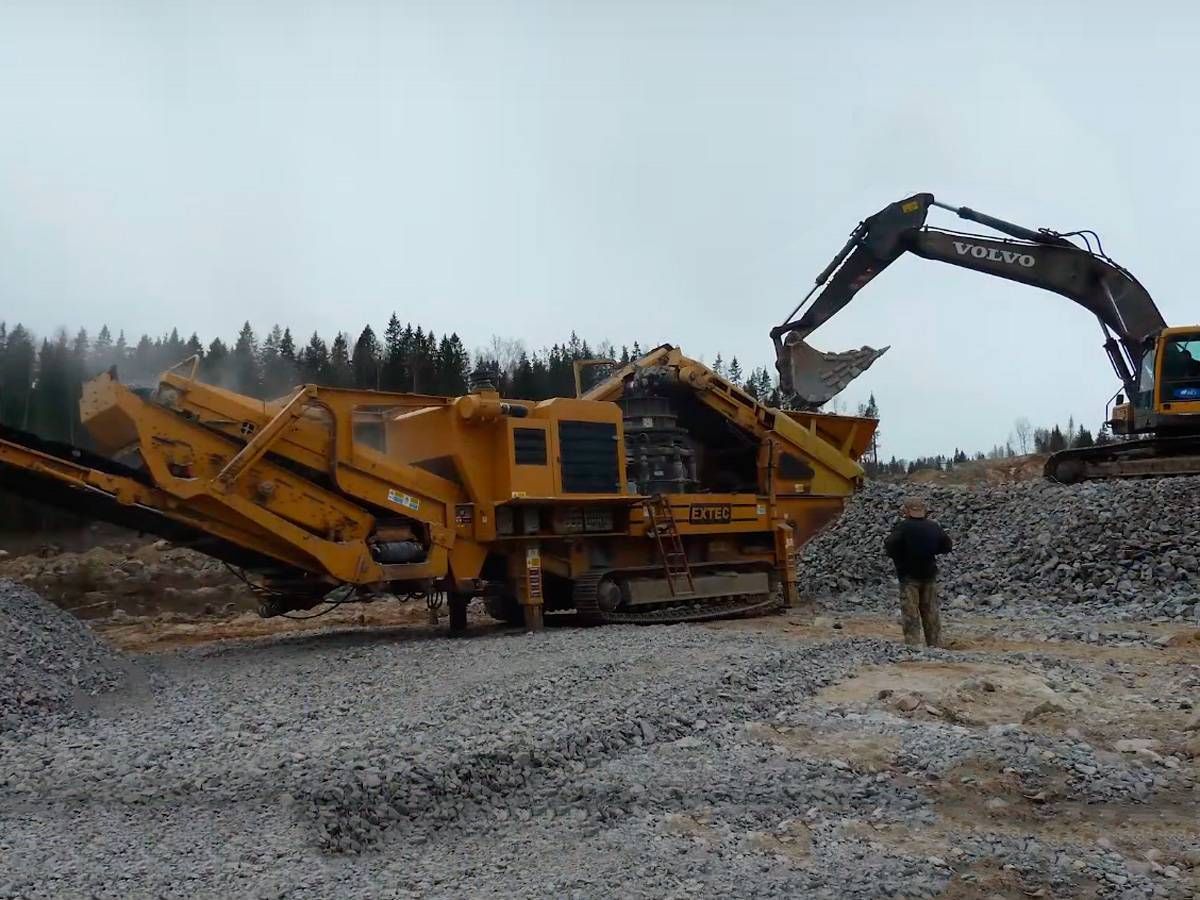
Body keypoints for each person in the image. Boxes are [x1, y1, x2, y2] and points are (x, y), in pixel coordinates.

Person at [884, 496, 952, 648]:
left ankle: (913, 645)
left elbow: (890, 545)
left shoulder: (903, 527)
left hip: (909, 577)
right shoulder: (934, 527)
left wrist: (900, 557)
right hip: (929, 574)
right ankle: (935, 644)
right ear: (924, 511)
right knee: (931, 611)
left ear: (906, 511)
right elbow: (947, 546)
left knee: (910, 612)